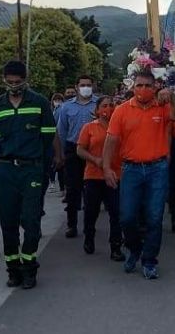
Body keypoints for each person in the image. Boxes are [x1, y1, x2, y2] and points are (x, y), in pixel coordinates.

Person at [102, 71, 175, 279]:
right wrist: (106, 167)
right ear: (132, 87)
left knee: (154, 217)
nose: (143, 90)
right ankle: (134, 248)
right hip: (131, 170)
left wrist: (171, 95)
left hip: (157, 169)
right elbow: (110, 140)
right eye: (139, 85)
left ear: (155, 87)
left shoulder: (162, 107)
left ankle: (149, 260)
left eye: (148, 86)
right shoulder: (121, 111)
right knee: (127, 217)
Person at [0, 61, 57, 289]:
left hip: (31, 169)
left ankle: (29, 267)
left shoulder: (38, 102)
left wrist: (37, 158)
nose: (14, 86)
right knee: (7, 221)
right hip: (6, 169)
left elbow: (48, 134)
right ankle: (13, 269)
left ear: (26, 80)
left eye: (18, 82)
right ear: (3, 80)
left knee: (30, 220)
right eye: (10, 82)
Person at [76, 97, 124, 261]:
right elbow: (80, 150)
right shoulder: (89, 127)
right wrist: (95, 160)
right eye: (104, 106)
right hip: (93, 176)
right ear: (97, 110)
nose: (108, 108)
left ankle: (116, 247)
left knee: (116, 212)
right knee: (91, 211)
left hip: (115, 175)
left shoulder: (120, 127)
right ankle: (89, 236)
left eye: (111, 105)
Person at [54, 76, 98, 238]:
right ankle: (71, 224)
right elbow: (62, 132)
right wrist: (61, 154)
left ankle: (89, 225)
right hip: (73, 149)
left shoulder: (98, 104)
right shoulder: (66, 107)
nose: (86, 87)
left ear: (92, 86)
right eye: (82, 85)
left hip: (94, 151)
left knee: (91, 190)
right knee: (72, 189)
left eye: (88, 85)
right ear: (77, 86)